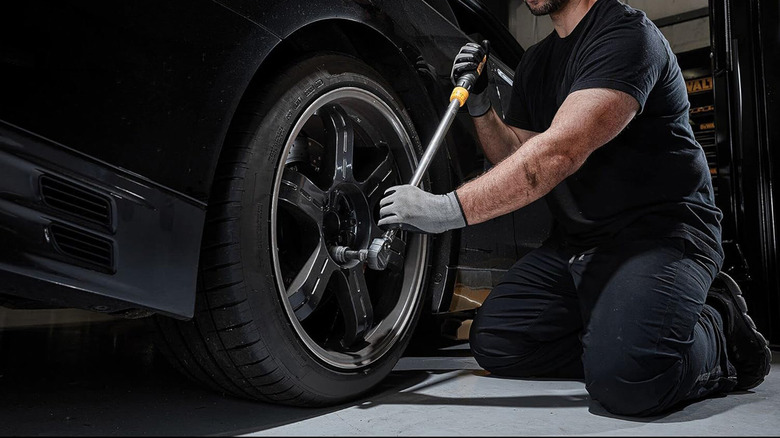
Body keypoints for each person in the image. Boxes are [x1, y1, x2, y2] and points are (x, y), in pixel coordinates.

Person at [378, 0, 771, 417]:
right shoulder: (536, 61)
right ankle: (623, 336)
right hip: (579, 243)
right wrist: (480, 104)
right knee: (498, 342)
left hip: (659, 234)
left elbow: (560, 152)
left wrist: (443, 211)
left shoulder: (627, 36)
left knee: (630, 381)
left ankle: (719, 328)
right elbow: (514, 152)